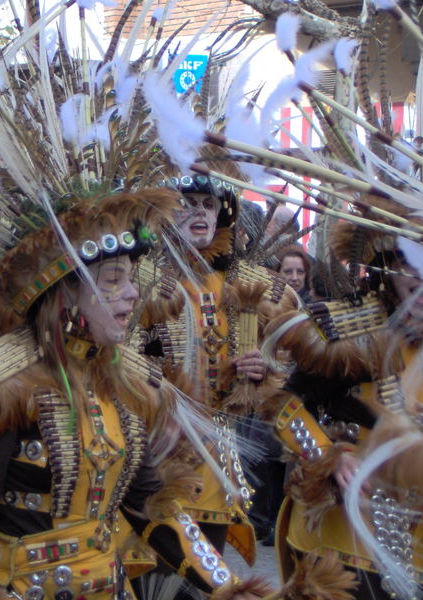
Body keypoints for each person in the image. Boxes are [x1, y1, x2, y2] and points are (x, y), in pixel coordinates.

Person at [0, 191, 271, 600]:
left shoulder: (126, 385)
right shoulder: (2, 389)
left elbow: (152, 508)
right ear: (64, 297)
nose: (133, 293)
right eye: (114, 281)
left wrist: (230, 587)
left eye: (130, 279)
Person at [135, 172, 298, 581]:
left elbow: (285, 361)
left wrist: (260, 374)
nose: (201, 213)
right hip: (156, 452)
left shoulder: (245, 282)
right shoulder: (136, 280)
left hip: (218, 461)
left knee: (208, 577)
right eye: (189, 203)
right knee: (154, 567)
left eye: (209, 205)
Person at [260, 214, 423, 598]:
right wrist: (326, 456)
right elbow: (283, 405)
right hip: (350, 533)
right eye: (409, 264)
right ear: (388, 268)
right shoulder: (349, 334)